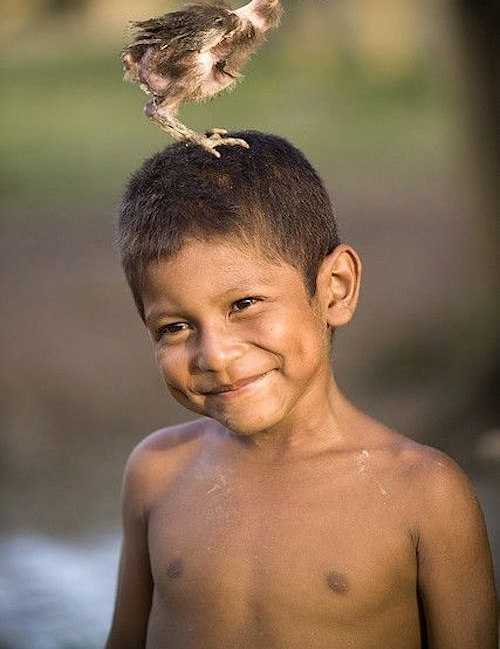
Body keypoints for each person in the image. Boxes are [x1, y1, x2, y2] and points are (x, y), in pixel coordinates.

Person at [106, 130, 497, 649]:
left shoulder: (423, 493)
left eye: (244, 304)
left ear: (335, 288)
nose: (215, 355)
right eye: (174, 327)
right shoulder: (156, 473)